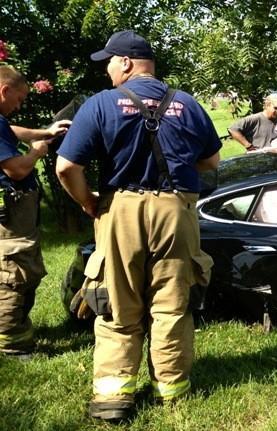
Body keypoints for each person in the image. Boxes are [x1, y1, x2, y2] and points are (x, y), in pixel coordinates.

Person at [55, 30, 221, 422]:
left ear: (126, 62)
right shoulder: (187, 103)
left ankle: (113, 396)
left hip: (121, 209)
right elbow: (211, 162)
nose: (108, 70)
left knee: (117, 299)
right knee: (172, 301)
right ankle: (171, 388)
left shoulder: (101, 104)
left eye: (109, 62)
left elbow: (66, 166)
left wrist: (87, 201)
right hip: (176, 210)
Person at [0, 66, 70, 360]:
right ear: (4, 90)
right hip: (10, 217)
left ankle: (16, 331)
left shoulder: (1, 122)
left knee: (22, 269)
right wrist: (37, 152)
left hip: (16, 215)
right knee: (12, 275)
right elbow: (15, 170)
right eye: (18, 99)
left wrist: (47, 132)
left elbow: (11, 131)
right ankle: (12, 344)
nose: (19, 106)